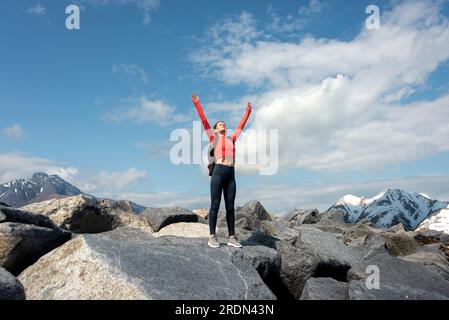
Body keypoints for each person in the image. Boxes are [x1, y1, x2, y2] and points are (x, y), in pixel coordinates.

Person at [191, 93, 252, 248]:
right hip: (218, 172)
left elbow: (241, 126)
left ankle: (232, 237)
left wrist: (248, 112)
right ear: (215, 129)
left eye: (224, 123)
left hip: (231, 174)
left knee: (230, 206)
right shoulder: (214, 138)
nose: (223, 124)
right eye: (219, 124)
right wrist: (197, 103)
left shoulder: (232, 139)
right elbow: (204, 121)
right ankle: (212, 236)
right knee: (215, 205)